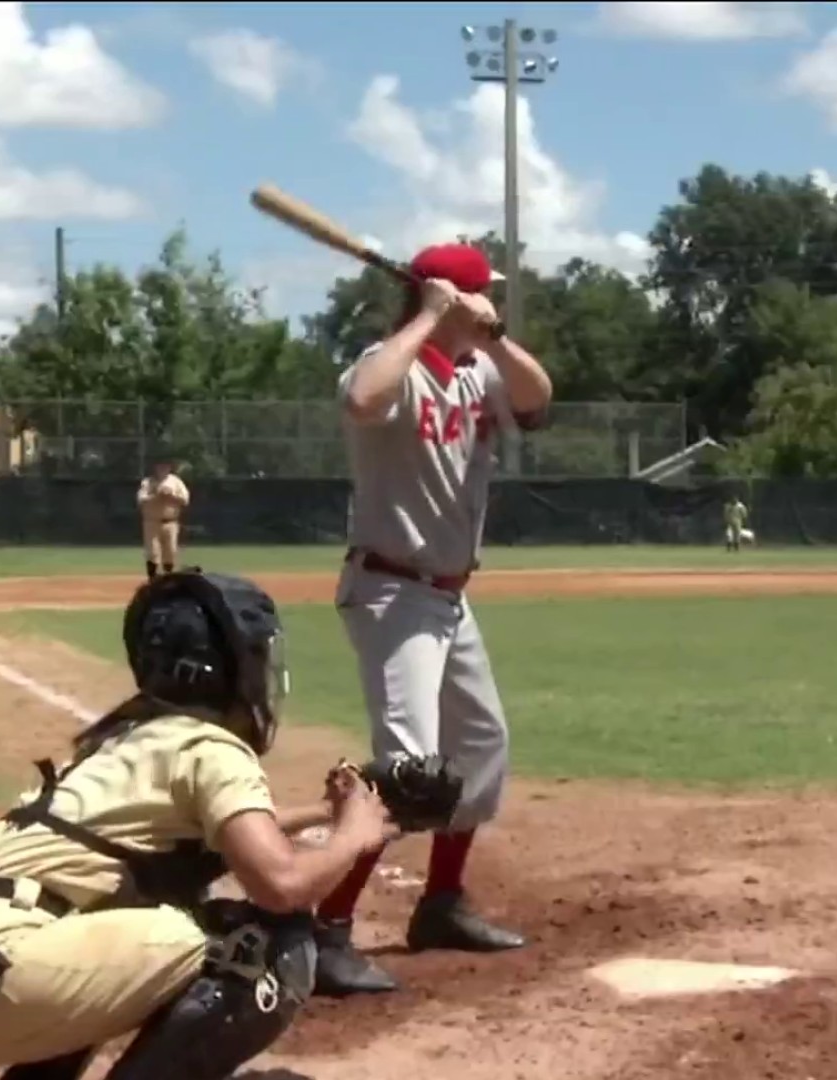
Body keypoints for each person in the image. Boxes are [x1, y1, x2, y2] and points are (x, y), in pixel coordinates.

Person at [0, 570, 392, 1080]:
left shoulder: (121, 745)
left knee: (110, 922)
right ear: (227, 669)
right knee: (261, 943)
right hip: (1, 978)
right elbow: (282, 886)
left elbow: (233, 829)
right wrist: (355, 835)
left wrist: (331, 813)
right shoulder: (211, 748)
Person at [320, 242, 553, 996]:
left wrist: (484, 333)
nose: (495, 303)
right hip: (392, 593)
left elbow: (539, 399)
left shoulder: (483, 367)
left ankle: (441, 904)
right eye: (485, 295)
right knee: (409, 771)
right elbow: (361, 400)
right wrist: (427, 318)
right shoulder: (389, 361)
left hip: (450, 596)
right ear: (450, 297)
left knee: (479, 747)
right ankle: (327, 931)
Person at [136, 460, 190, 580]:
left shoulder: (176, 482)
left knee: (170, 552)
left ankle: (168, 579)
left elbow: (185, 500)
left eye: (166, 466)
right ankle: (152, 579)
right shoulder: (148, 482)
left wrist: (171, 496)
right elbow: (141, 499)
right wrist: (156, 495)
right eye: (160, 466)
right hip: (152, 521)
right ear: (155, 467)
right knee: (152, 552)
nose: (163, 468)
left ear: (170, 467)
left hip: (170, 522)